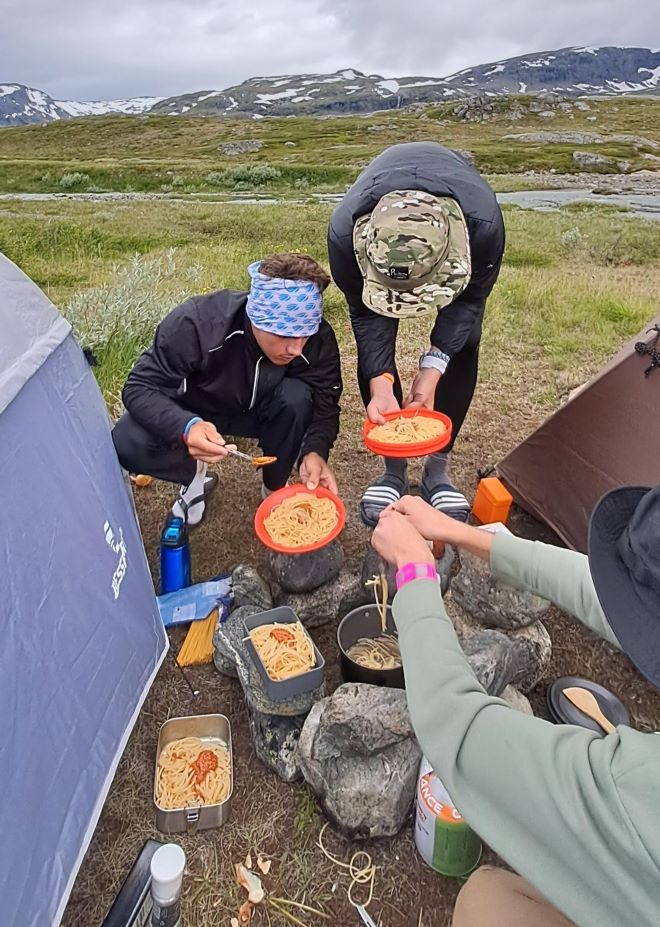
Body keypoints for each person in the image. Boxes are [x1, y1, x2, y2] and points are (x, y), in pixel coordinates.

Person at [371, 486, 660, 927]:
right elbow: (609, 598)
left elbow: (460, 729)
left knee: (486, 903)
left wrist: (414, 574)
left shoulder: (635, 789)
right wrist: (462, 534)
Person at [328, 142, 505, 526]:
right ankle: (394, 471)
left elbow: (469, 302)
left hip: (464, 211)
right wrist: (380, 384)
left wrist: (433, 368)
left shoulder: (484, 226)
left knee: (465, 342)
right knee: (375, 358)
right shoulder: (344, 234)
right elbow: (366, 316)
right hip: (376, 197)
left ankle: (437, 469)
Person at [112, 253, 342, 525]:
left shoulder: (317, 339)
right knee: (128, 440)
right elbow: (140, 386)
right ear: (255, 316)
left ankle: (274, 490)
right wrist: (186, 427)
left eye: (305, 333)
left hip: (262, 409)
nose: (296, 348)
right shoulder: (198, 323)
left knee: (298, 400)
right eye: (283, 335)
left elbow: (325, 405)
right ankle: (193, 473)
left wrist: (314, 451)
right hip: (195, 408)